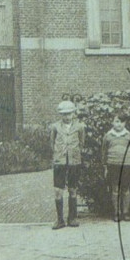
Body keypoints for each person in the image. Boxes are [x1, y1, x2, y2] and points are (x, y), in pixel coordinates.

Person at [50, 98, 85, 229]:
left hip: (74, 162)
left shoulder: (80, 127)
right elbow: (52, 143)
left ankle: (72, 218)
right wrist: (58, 155)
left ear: (73, 113)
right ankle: (60, 220)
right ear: (61, 114)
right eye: (64, 114)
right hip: (60, 162)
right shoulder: (55, 127)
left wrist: (74, 154)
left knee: (73, 189)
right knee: (58, 191)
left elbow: (81, 143)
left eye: (69, 113)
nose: (67, 116)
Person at [101, 112, 130, 222]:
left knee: (126, 189)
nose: (119, 124)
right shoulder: (108, 136)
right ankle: (116, 212)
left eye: (122, 122)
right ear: (112, 122)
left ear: (125, 123)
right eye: (117, 121)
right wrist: (105, 167)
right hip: (113, 165)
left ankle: (126, 212)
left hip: (127, 165)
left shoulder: (129, 136)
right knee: (115, 189)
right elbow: (104, 151)